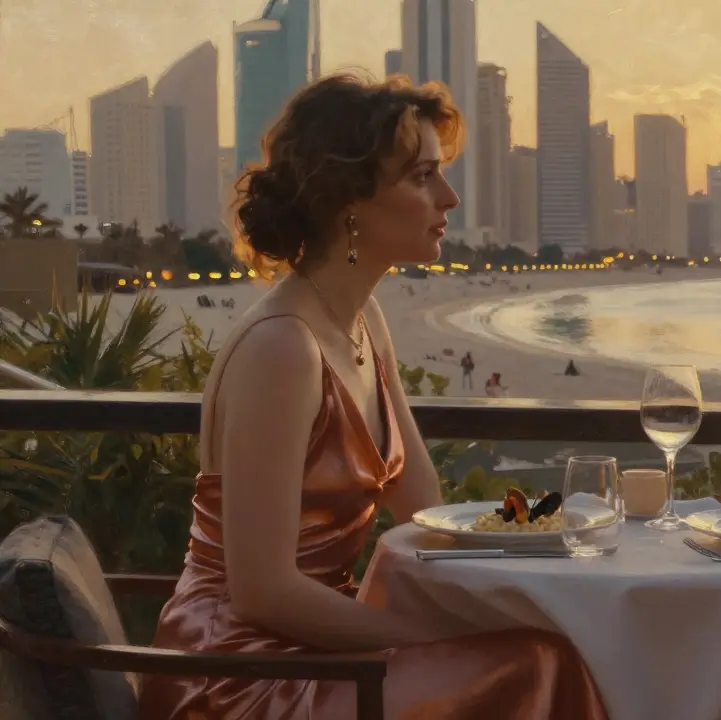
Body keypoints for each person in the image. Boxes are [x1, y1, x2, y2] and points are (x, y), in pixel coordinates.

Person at [136, 73, 608, 720]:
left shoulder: (362, 320)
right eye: (421, 177)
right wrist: (437, 641)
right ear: (347, 200)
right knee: (539, 665)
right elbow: (262, 593)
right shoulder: (283, 349)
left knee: (547, 650)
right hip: (239, 674)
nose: (450, 196)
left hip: (312, 646)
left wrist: (546, 552)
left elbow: (424, 512)